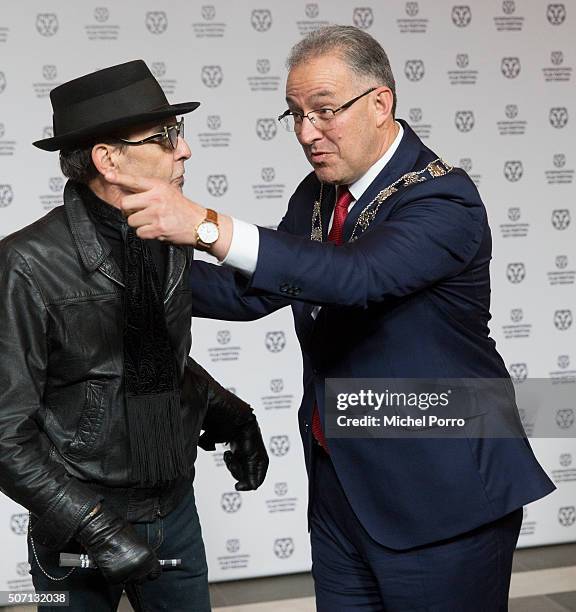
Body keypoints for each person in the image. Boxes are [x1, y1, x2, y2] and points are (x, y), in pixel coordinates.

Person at [107, 27, 556, 611]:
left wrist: (205, 226)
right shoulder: (318, 194)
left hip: (443, 490)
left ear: (380, 103)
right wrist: (112, 268)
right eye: (294, 115)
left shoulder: (444, 200)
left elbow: (355, 277)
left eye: (323, 111)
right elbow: (253, 293)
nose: (306, 133)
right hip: (344, 484)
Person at [0, 60, 269, 612]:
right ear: (107, 159)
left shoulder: (166, 236)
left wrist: (232, 414)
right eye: (165, 137)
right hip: (74, 527)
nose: (184, 150)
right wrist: (96, 527)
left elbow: (148, 360)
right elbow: (4, 434)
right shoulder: (26, 264)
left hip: (173, 512)